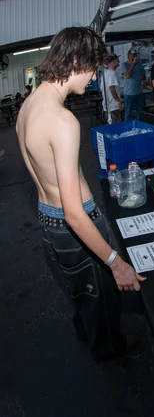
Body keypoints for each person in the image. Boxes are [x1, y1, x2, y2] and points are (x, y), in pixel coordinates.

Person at [16, 27, 146, 361]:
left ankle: (86, 333)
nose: (92, 78)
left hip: (49, 223)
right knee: (101, 296)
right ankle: (110, 351)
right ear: (75, 61)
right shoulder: (63, 121)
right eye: (92, 69)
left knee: (80, 291)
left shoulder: (28, 106)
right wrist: (115, 263)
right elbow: (74, 213)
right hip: (75, 225)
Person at [120, 48, 146, 121]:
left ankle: (140, 128)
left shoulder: (139, 64)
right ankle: (128, 129)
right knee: (128, 113)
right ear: (128, 56)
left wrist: (143, 80)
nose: (134, 57)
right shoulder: (124, 65)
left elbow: (143, 75)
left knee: (140, 113)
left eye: (135, 55)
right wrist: (133, 64)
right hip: (129, 93)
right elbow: (127, 75)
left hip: (139, 92)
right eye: (133, 55)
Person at [100, 52, 123, 123]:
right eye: (117, 61)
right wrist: (118, 101)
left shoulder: (104, 73)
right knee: (117, 128)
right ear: (112, 62)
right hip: (113, 107)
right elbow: (111, 88)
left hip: (107, 107)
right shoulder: (112, 73)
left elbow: (101, 89)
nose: (119, 62)